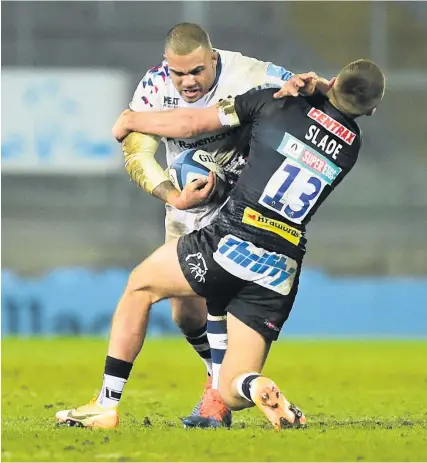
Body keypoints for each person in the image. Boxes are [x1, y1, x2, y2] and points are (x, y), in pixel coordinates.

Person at [56, 59, 385, 430]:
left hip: (231, 240)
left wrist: (132, 120)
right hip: (280, 268)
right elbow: (337, 111)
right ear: (371, 110)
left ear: (335, 79)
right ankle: (255, 385)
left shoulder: (276, 102)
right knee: (231, 387)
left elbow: (193, 124)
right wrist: (324, 89)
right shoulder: (350, 147)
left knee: (140, 286)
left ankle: (105, 404)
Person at [109, 21, 328, 427]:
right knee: (185, 316)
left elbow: (300, 89)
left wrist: (327, 87)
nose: (187, 82)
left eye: (197, 71)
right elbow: (137, 152)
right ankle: (224, 381)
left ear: (214, 59)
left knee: (216, 295)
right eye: (179, 73)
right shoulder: (153, 86)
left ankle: (216, 396)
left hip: (241, 204)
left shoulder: (250, 72)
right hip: (187, 203)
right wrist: (173, 197)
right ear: (165, 67)